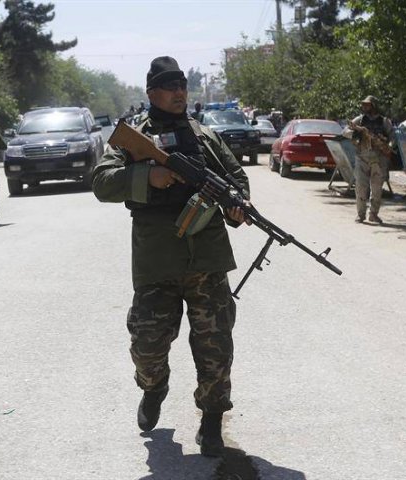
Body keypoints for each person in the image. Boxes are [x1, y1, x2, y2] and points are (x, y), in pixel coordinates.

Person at [91, 56, 250, 457]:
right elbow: (101, 182)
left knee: (216, 347)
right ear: (152, 93)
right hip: (156, 261)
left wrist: (238, 205)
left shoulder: (205, 136)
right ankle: (154, 386)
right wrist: (148, 176)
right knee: (147, 346)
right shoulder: (133, 137)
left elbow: (238, 180)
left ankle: (211, 419)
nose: (180, 92)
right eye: (170, 86)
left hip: (207, 260)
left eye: (182, 85)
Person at [343, 95, 393, 224]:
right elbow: (345, 131)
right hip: (362, 156)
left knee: (377, 188)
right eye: (364, 105)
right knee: (360, 186)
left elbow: (393, 138)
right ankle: (361, 214)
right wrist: (357, 134)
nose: (364, 107)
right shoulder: (360, 120)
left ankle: (373, 214)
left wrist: (386, 145)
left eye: (367, 105)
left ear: (374, 106)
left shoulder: (384, 122)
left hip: (379, 159)